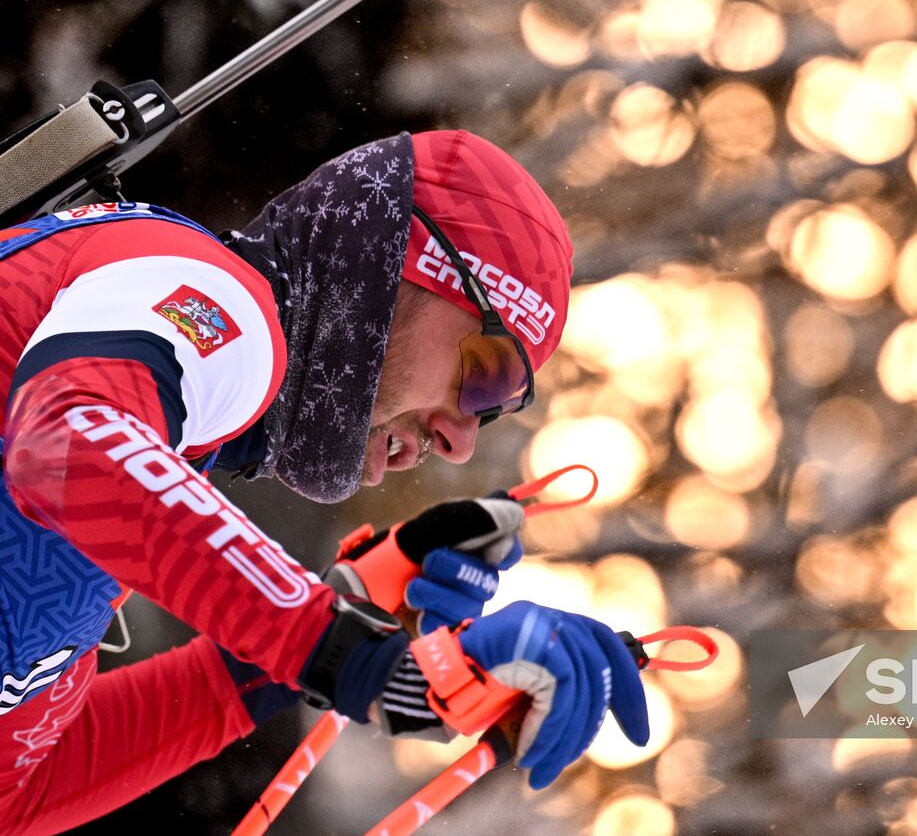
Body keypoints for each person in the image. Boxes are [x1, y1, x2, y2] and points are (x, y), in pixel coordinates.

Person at [0, 130, 648, 834]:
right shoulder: (216, 297)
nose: (460, 441)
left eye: (493, 411)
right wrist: (351, 654)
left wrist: (330, 625)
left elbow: (17, 793)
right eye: (485, 372)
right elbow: (70, 442)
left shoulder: (170, 435)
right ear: (391, 261)